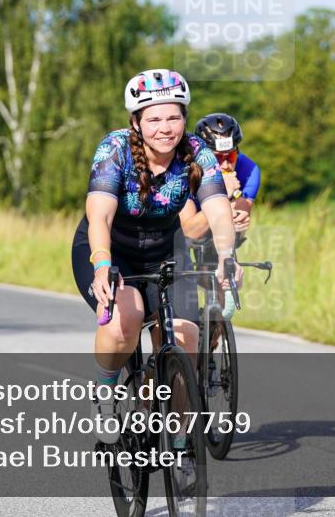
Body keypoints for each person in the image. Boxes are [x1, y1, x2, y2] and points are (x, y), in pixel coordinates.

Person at [70, 69, 238, 444]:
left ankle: (176, 436)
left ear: (184, 118)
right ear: (136, 122)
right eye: (154, 119)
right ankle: (106, 393)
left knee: (186, 337)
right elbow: (100, 213)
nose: (166, 127)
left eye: (174, 117)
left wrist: (227, 254)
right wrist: (101, 264)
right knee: (124, 320)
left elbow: (217, 208)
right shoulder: (114, 150)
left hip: (164, 250)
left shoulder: (197, 152)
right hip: (110, 250)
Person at [180, 112, 261, 264]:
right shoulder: (185, 170)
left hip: (215, 231)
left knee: (221, 276)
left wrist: (237, 226)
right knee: (182, 274)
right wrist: (221, 193)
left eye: (230, 157)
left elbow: (237, 235)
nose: (225, 165)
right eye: (217, 158)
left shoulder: (249, 170)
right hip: (180, 232)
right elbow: (188, 234)